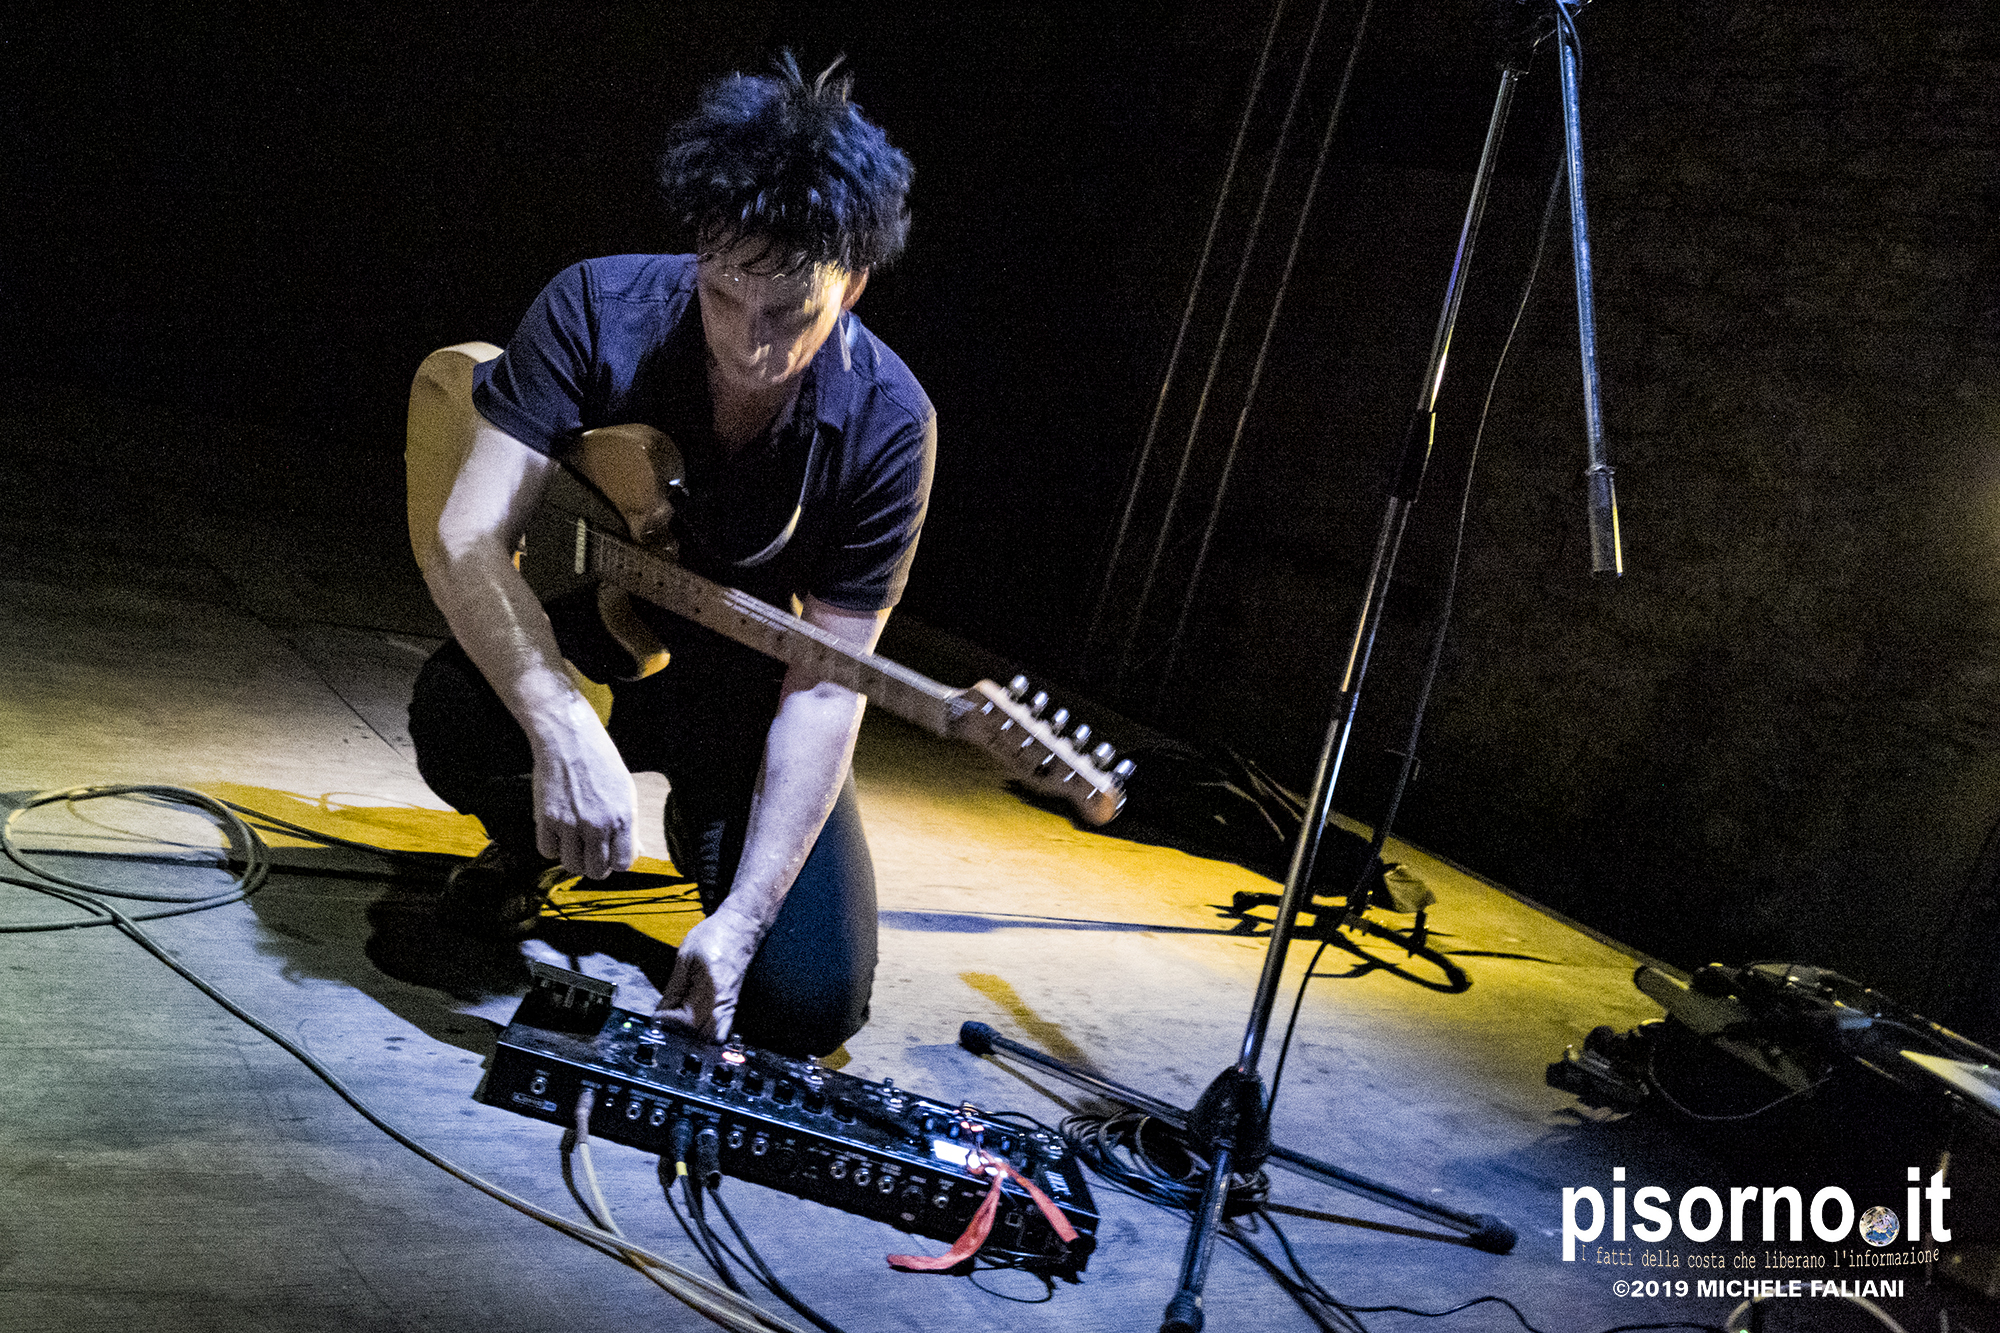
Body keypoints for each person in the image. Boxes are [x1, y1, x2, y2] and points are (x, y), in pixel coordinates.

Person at [404, 54, 931, 1059]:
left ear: (853, 284)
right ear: (701, 250)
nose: (750, 345)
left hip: (746, 702)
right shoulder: (593, 307)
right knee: (457, 714)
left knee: (806, 1007)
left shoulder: (890, 424)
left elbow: (828, 684)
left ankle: (708, 833)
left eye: (790, 315)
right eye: (726, 297)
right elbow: (467, 536)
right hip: (593, 655)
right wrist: (559, 727)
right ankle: (534, 842)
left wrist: (744, 920)